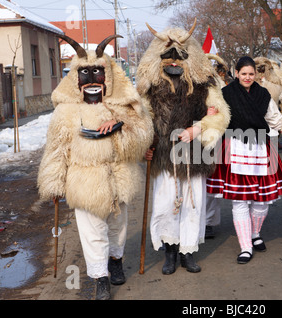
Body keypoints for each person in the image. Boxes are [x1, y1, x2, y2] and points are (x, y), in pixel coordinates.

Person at [37, 35, 153, 300]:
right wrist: (54, 183)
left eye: (98, 71)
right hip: (84, 181)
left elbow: (143, 135)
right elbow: (57, 149)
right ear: (75, 77)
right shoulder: (65, 112)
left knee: (118, 228)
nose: (91, 78)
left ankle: (116, 260)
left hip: (119, 177)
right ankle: (100, 278)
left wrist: (120, 126)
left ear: (108, 76)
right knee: (92, 233)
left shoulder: (124, 106)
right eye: (84, 72)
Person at [137, 20, 230, 275]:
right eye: (168, 57)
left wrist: (197, 129)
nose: (175, 62)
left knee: (192, 204)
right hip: (164, 156)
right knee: (167, 204)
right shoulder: (150, 87)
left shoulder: (206, 84)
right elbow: (141, 120)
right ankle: (170, 252)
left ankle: (188, 252)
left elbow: (221, 115)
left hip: (194, 154)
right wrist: (145, 146)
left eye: (180, 57)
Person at [206, 56, 282, 264]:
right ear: (236, 73)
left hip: (262, 147)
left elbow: (276, 119)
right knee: (241, 200)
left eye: (251, 74)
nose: (247, 77)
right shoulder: (225, 94)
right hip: (235, 147)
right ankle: (245, 247)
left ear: (256, 75)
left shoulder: (263, 94)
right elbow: (216, 120)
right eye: (243, 73)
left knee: (262, 200)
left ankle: (255, 234)